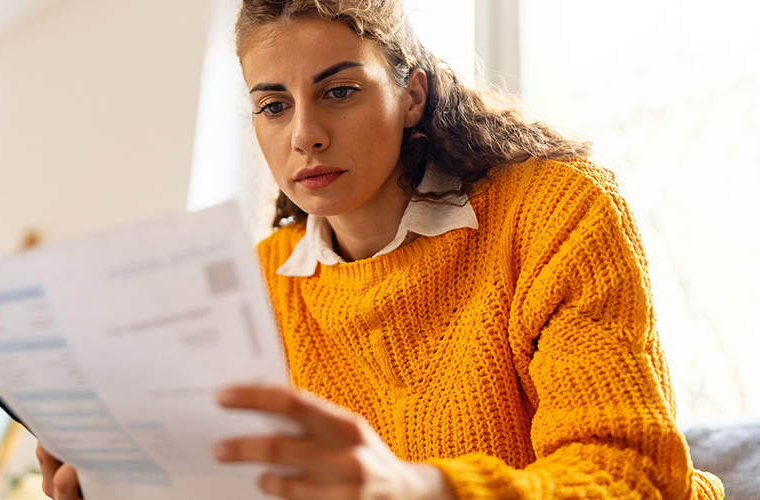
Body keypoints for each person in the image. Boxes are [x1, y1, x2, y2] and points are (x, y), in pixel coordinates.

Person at [38, 0, 725, 498]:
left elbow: (631, 475)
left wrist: (417, 489)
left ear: (412, 94)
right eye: (273, 105)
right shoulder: (256, 281)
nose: (303, 134)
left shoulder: (555, 210)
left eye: (339, 91)